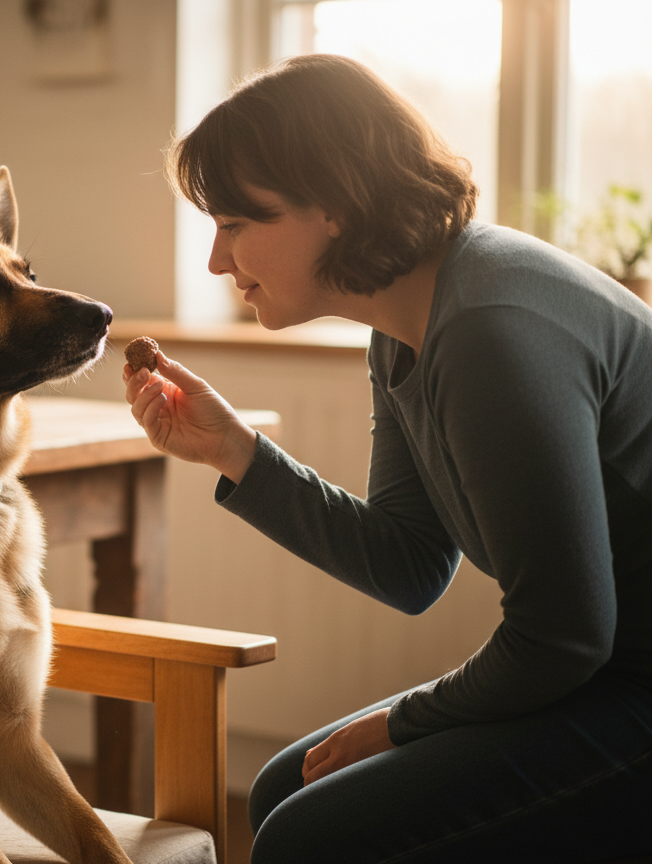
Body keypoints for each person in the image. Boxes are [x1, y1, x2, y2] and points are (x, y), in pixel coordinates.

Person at [124, 54, 652, 863]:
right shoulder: (404, 324)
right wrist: (237, 452)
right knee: (284, 789)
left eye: (235, 224)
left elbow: (561, 638)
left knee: (308, 835)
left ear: (333, 206)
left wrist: (400, 723)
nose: (217, 263)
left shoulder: (489, 329)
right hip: (604, 669)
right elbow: (410, 565)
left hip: (622, 680)